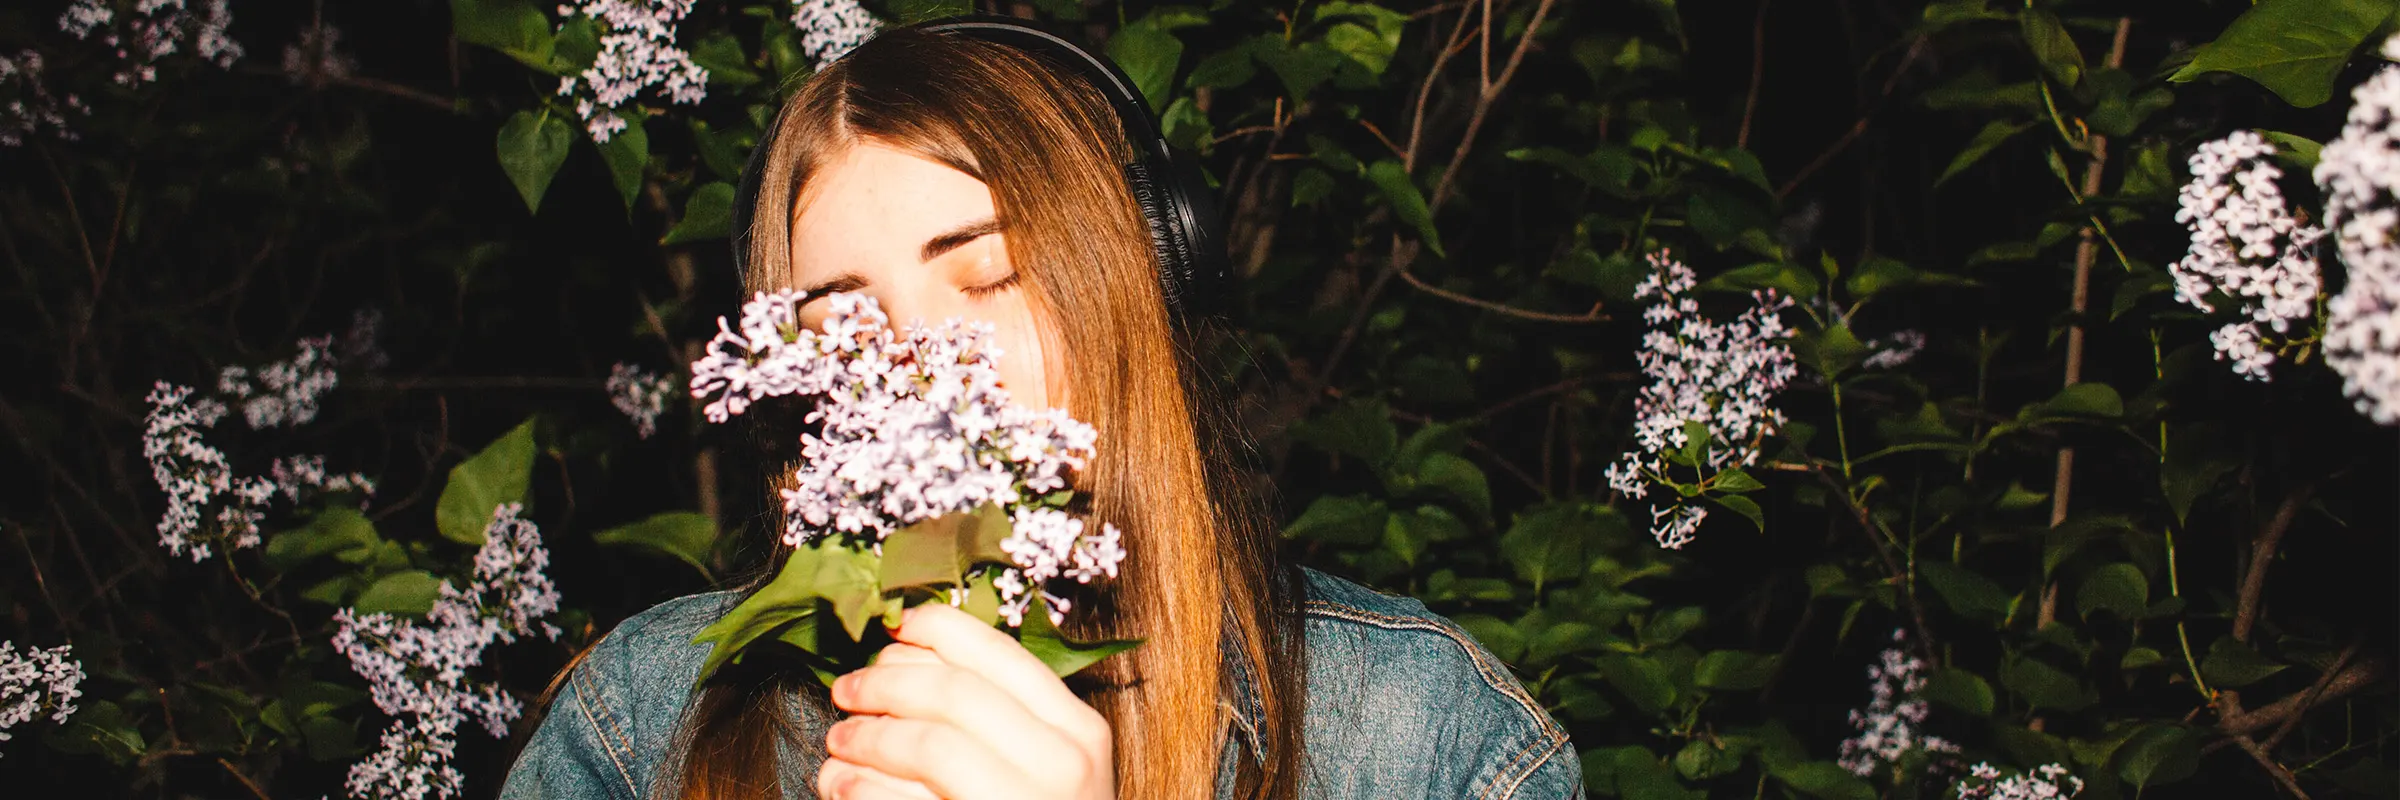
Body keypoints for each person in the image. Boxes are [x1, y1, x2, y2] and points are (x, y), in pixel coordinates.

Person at [499, 19, 1581, 800]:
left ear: (1144, 280)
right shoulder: (646, 717)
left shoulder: (1421, 734)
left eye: (991, 277)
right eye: (841, 326)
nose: (924, 364)